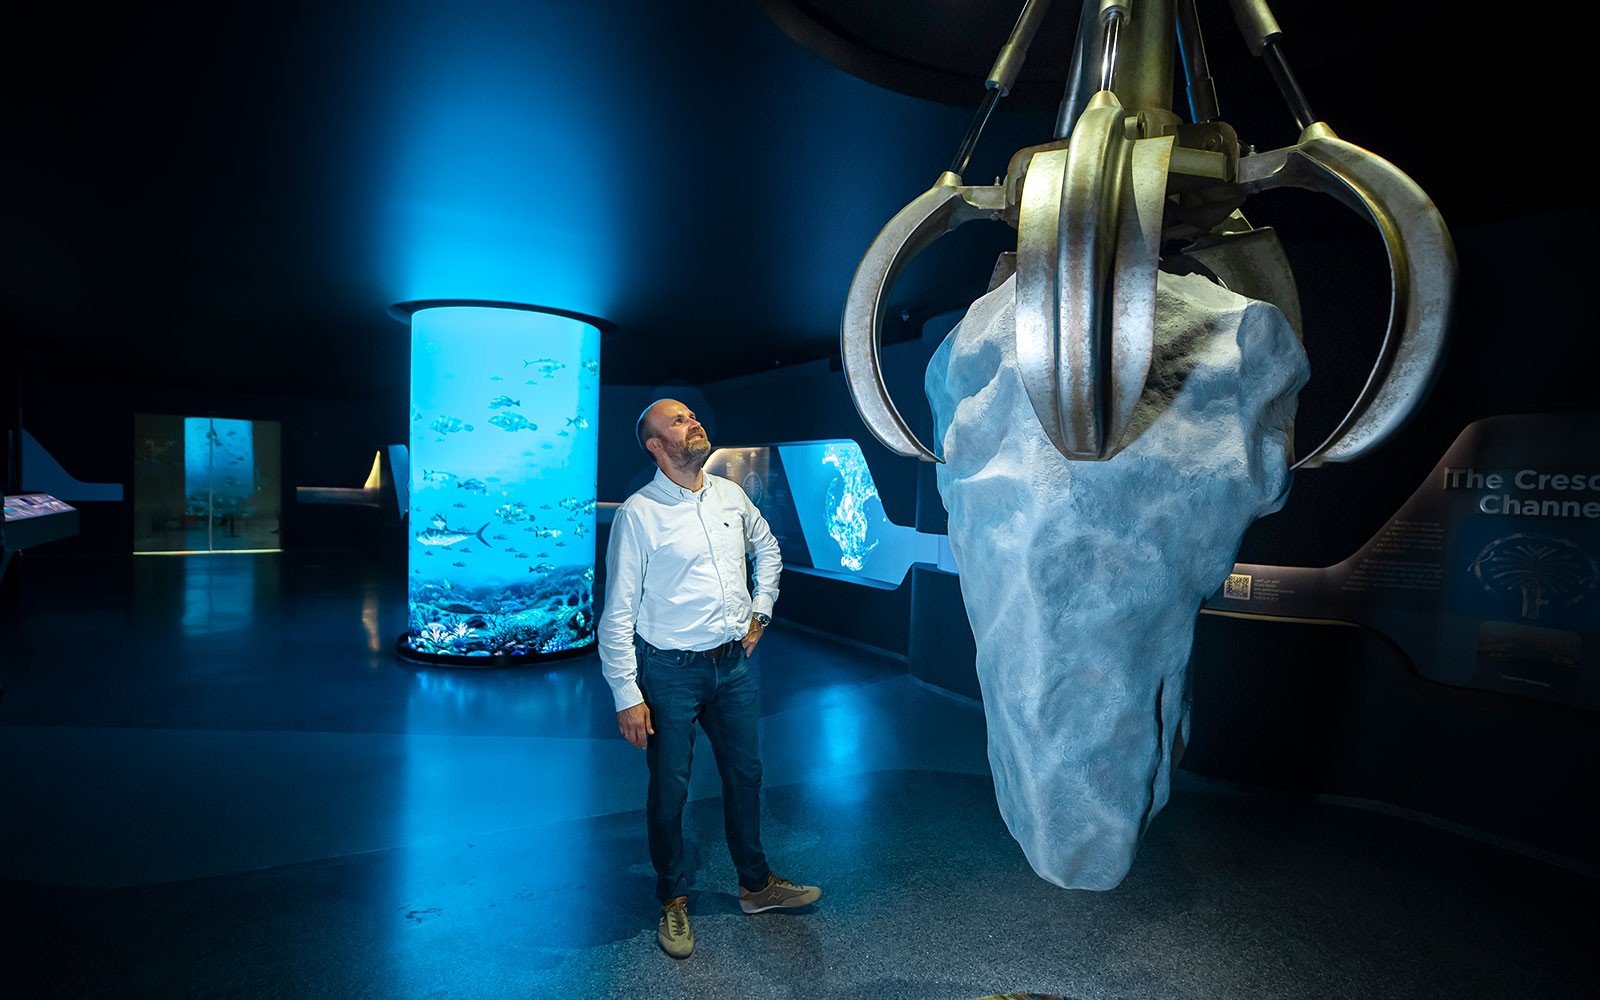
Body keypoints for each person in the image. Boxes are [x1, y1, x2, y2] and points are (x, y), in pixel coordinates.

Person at [598, 399, 821, 960]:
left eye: (691, 415)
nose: (692, 421)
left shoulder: (729, 495)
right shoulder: (639, 514)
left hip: (731, 666)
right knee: (670, 789)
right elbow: (618, 614)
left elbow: (767, 547)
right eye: (677, 420)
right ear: (655, 445)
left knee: (746, 775)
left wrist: (761, 610)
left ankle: (756, 885)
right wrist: (628, 695)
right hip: (668, 672)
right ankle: (672, 899)